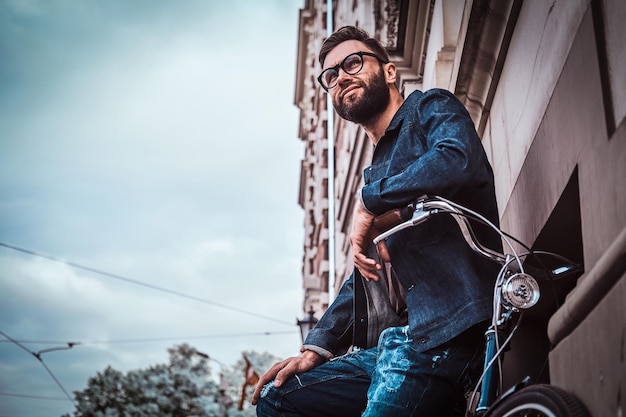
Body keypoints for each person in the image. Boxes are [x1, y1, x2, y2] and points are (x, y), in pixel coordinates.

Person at [252, 25, 502, 416]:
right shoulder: (377, 170)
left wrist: (369, 202)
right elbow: (363, 277)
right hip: (398, 342)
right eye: (331, 76)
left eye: (353, 62)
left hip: (449, 330)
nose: (342, 77)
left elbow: (459, 158)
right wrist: (316, 348)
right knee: (279, 397)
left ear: (388, 71)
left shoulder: (428, 109)